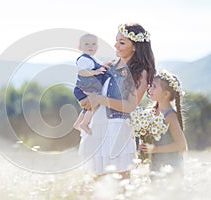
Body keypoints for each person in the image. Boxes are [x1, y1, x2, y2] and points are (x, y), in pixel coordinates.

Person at [76, 23, 156, 179]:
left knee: (122, 180)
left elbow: (131, 106)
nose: (116, 45)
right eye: (116, 40)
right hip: (97, 125)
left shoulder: (140, 72)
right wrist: (85, 101)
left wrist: (99, 99)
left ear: (135, 47)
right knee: (95, 178)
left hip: (117, 127)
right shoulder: (109, 66)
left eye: (122, 42)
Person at [139, 70, 188, 174]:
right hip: (155, 166)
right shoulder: (151, 112)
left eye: (154, 86)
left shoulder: (170, 116)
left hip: (170, 169)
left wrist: (155, 149)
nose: (150, 89)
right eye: (151, 85)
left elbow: (182, 146)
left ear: (166, 94)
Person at [73, 34, 108, 135]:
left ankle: (78, 123)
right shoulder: (83, 59)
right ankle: (84, 123)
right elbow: (81, 72)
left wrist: (104, 66)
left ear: (97, 47)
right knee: (94, 105)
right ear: (80, 47)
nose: (90, 46)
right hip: (85, 89)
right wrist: (94, 72)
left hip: (89, 88)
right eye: (87, 44)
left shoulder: (92, 59)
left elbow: (98, 67)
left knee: (87, 106)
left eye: (93, 44)